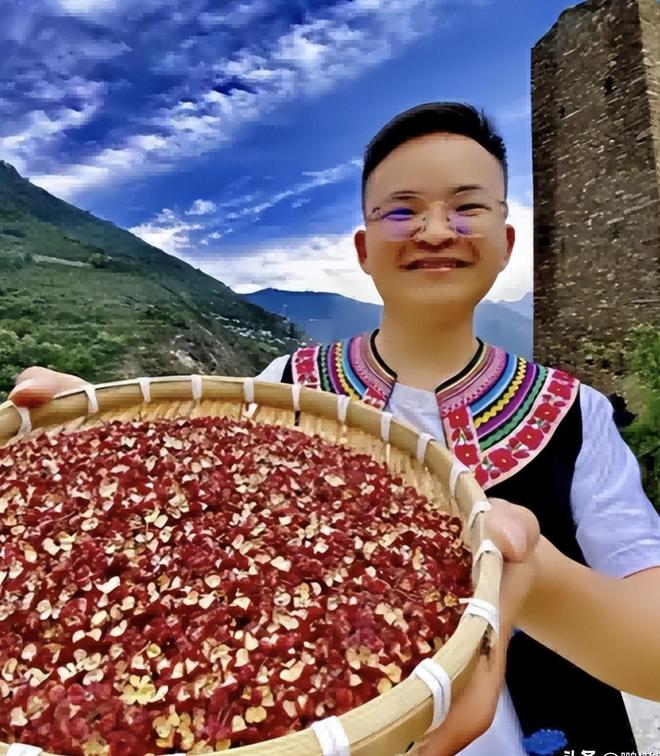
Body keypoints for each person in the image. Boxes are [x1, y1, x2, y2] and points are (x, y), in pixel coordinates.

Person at [9, 102, 660, 756]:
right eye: (402, 210)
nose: (438, 230)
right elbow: (200, 511)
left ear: (508, 242)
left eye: (468, 207)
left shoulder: (574, 415)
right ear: (363, 249)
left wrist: (532, 574)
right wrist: (108, 446)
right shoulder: (288, 388)